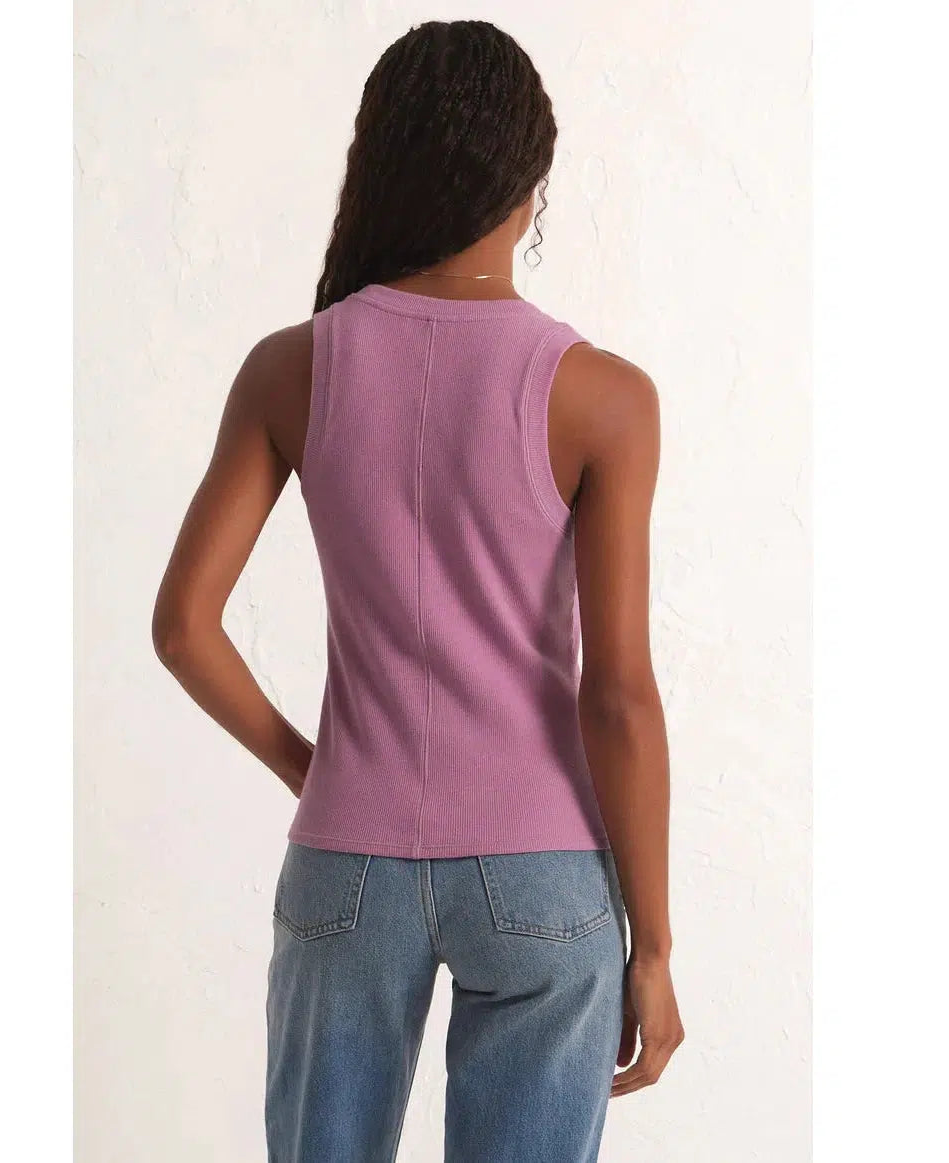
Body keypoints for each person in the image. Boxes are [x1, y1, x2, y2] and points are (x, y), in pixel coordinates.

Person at [152, 18, 683, 1163]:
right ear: (529, 184)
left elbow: (185, 627)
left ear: (382, 165)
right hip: (544, 872)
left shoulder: (291, 367)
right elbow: (618, 694)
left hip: (347, 860)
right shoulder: (603, 397)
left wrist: (315, 768)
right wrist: (652, 944)